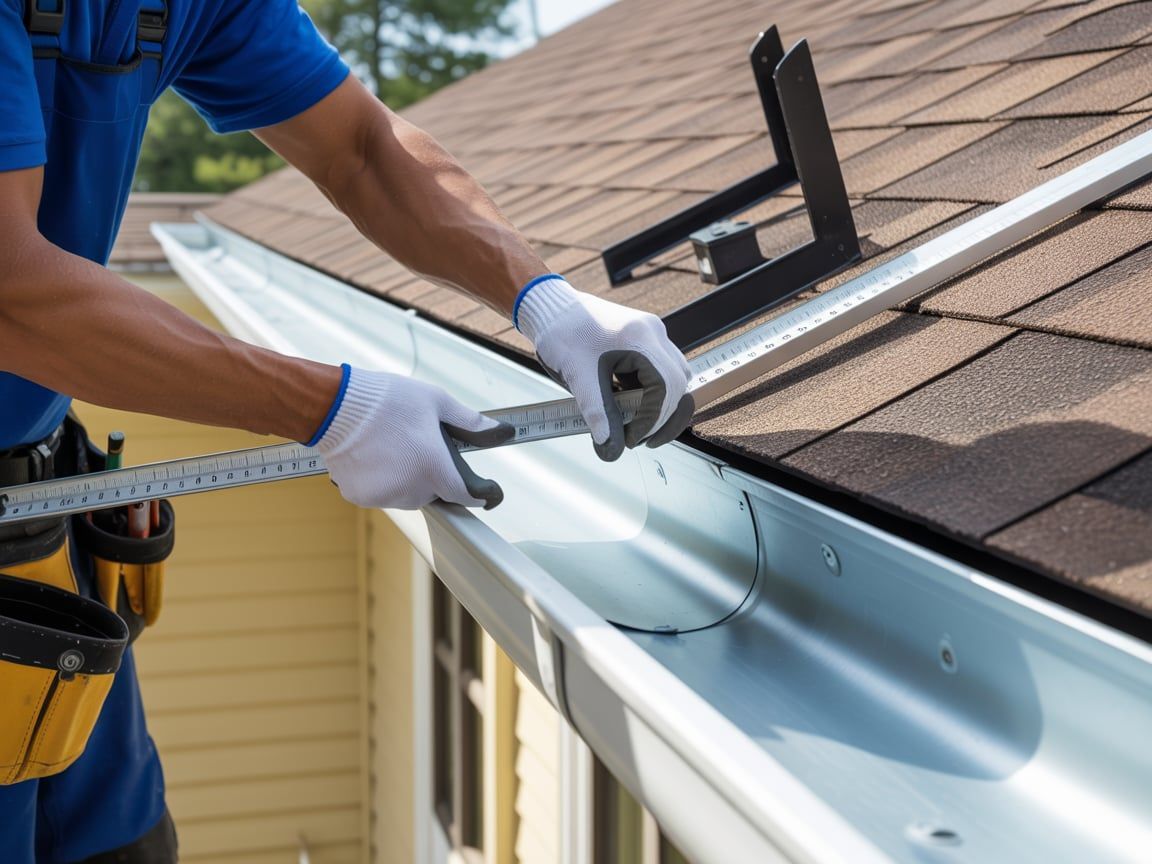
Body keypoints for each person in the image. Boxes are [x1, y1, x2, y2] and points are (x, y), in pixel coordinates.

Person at [0, 1, 692, 861]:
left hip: (37, 529)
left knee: (128, 849)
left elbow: (361, 149)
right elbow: (11, 293)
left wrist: (548, 303)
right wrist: (328, 409)